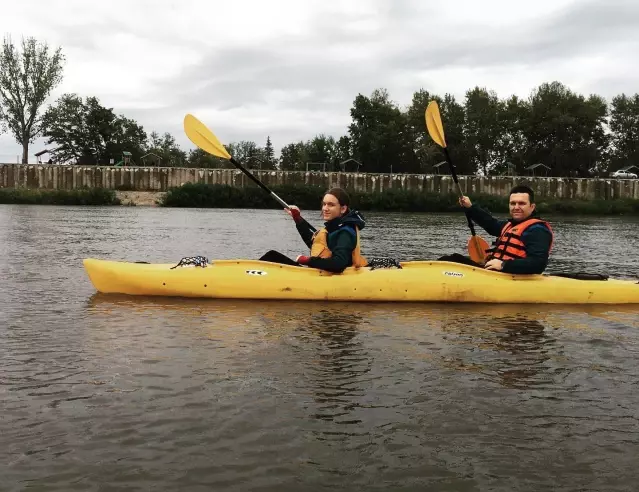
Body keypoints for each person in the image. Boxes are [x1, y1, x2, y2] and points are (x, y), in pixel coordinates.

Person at [439, 185, 554, 274]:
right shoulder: (510, 226)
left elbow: (538, 264)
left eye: (522, 203)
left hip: (510, 277)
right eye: (513, 203)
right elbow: (491, 224)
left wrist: (504, 265)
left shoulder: (537, 230)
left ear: (532, 207)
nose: (516, 207)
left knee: (451, 260)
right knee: (451, 259)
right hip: (494, 273)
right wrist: (470, 207)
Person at [259, 187, 367, 273]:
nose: (325, 208)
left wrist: (308, 260)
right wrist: (298, 219)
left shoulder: (345, 232)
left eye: (331, 205)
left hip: (330, 279)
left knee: (271, 256)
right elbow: (314, 244)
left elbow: (339, 264)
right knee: (272, 256)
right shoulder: (333, 228)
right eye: (324, 204)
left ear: (343, 208)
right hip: (320, 274)